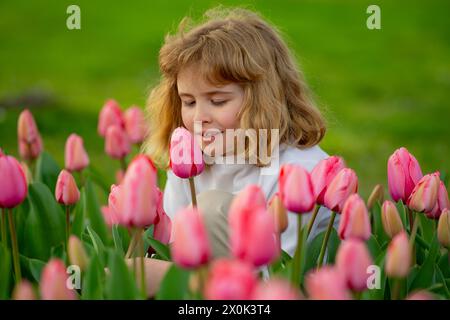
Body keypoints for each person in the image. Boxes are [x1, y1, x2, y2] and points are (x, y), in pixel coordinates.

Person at [138, 7, 338, 297]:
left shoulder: (299, 170)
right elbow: (174, 246)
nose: (199, 118)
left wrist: (171, 277)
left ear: (264, 99)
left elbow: (280, 276)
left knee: (212, 208)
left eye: (217, 101)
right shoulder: (189, 160)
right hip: (211, 292)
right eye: (189, 102)